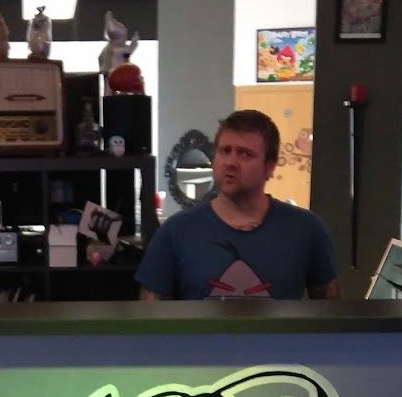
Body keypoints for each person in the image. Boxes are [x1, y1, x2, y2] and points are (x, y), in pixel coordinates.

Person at [136, 109, 340, 300]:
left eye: (245, 154)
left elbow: (331, 320)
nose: (231, 162)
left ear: (269, 166)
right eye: (225, 151)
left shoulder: (305, 229)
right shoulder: (176, 232)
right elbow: (150, 324)